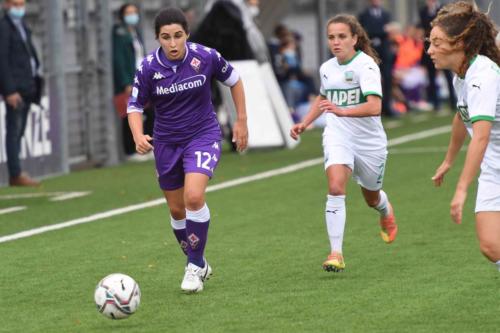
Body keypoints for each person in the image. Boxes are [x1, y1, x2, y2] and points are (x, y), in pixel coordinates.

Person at [127, 7, 248, 292]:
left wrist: (241, 121)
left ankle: (193, 267)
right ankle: (199, 261)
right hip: (167, 142)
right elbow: (133, 105)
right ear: (157, 38)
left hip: (202, 135)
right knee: (176, 208)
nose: (172, 43)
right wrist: (137, 135)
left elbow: (235, 80)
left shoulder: (205, 56)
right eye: (166, 37)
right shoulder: (147, 68)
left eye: (178, 36)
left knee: (194, 197)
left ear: (187, 35)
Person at [290, 14, 398, 273]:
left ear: (355, 38)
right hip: (338, 135)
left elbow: (375, 106)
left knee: (371, 197)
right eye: (331, 37)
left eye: (341, 37)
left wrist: (343, 111)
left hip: (369, 141)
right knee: (336, 187)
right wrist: (305, 122)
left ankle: (385, 211)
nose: (336, 42)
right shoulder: (327, 68)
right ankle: (336, 252)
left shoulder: (366, 66)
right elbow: (323, 97)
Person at [429, 1, 500, 271]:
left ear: (459, 43)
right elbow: (461, 115)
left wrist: (461, 189)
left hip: (493, 164)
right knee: (491, 244)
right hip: (494, 167)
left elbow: (480, 137)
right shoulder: (463, 73)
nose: (429, 49)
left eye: (436, 43)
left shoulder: (481, 74)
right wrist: (448, 160)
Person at [0, 0, 41, 186]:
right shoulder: (4, 27)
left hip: (27, 86)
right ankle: (15, 173)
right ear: (7, 5)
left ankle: (17, 170)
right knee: (14, 129)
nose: (19, 8)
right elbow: (2, 60)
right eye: (15, 4)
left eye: (22, 4)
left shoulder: (23, 25)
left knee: (20, 129)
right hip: (15, 88)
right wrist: (9, 90)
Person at [112, 3, 154, 162]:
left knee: (150, 113)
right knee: (128, 115)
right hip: (129, 82)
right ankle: (130, 151)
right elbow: (119, 60)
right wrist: (125, 82)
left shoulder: (136, 32)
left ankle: (147, 145)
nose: (132, 16)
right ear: (122, 16)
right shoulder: (119, 33)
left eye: (134, 12)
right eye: (129, 13)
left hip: (141, 79)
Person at [419, 0, 456, 112]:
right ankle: (436, 103)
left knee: (447, 75)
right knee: (431, 76)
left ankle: (453, 102)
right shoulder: (423, 10)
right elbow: (425, 26)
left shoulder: (442, 8)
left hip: (441, 45)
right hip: (429, 45)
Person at [358, 0, 393, 117]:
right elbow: (365, 32)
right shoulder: (363, 15)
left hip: (384, 52)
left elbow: (388, 32)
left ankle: (387, 107)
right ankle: (372, 108)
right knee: (372, 79)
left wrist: (379, 32)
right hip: (371, 52)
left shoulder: (386, 14)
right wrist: (381, 31)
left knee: (387, 79)